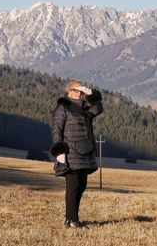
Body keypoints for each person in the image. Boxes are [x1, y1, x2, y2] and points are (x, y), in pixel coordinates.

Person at [50, 80, 103, 228]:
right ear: (69, 92)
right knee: (73, 187)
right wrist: (59, 151)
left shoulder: (86, 110)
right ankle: (72, 220)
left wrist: (90, 93)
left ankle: (71, 218)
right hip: (70, 154)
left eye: (81, 91)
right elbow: (56, 130)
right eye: (76, 90)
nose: (79, 93)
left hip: (85, 154)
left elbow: (98, 108)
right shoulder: (63, 108)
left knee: (81, 186)